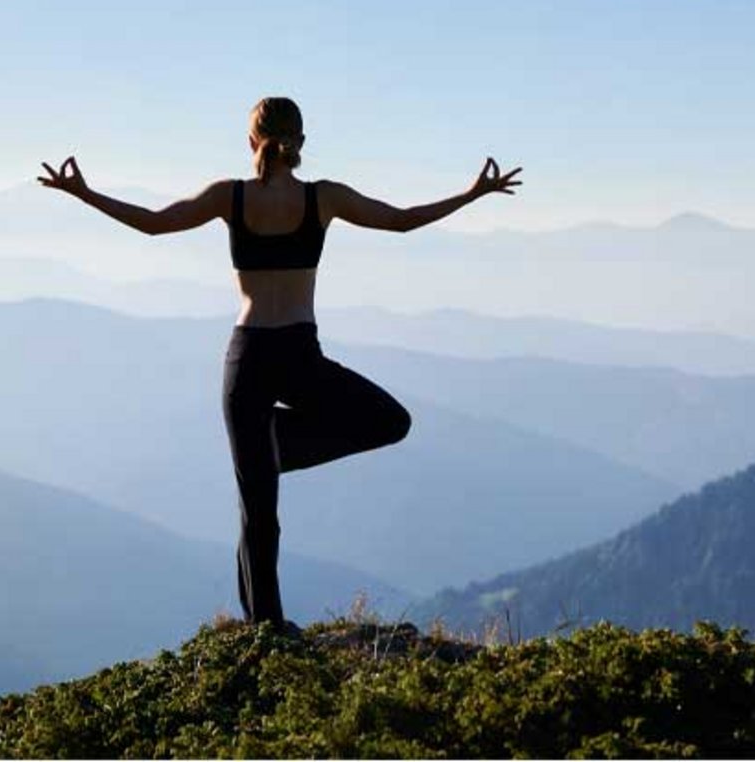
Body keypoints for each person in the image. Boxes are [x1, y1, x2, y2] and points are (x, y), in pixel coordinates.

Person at [38, 96, 522, 631]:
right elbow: (401, 222)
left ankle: (266, 613)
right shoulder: (323, 198)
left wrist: (83, 194)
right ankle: (268, 588)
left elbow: (154, 224)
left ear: (251, 141)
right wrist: (472, 194)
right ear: (302, 142)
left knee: (258, 511)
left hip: (247, 360)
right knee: (387, 421)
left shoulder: (230, 197)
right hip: (298, 355)